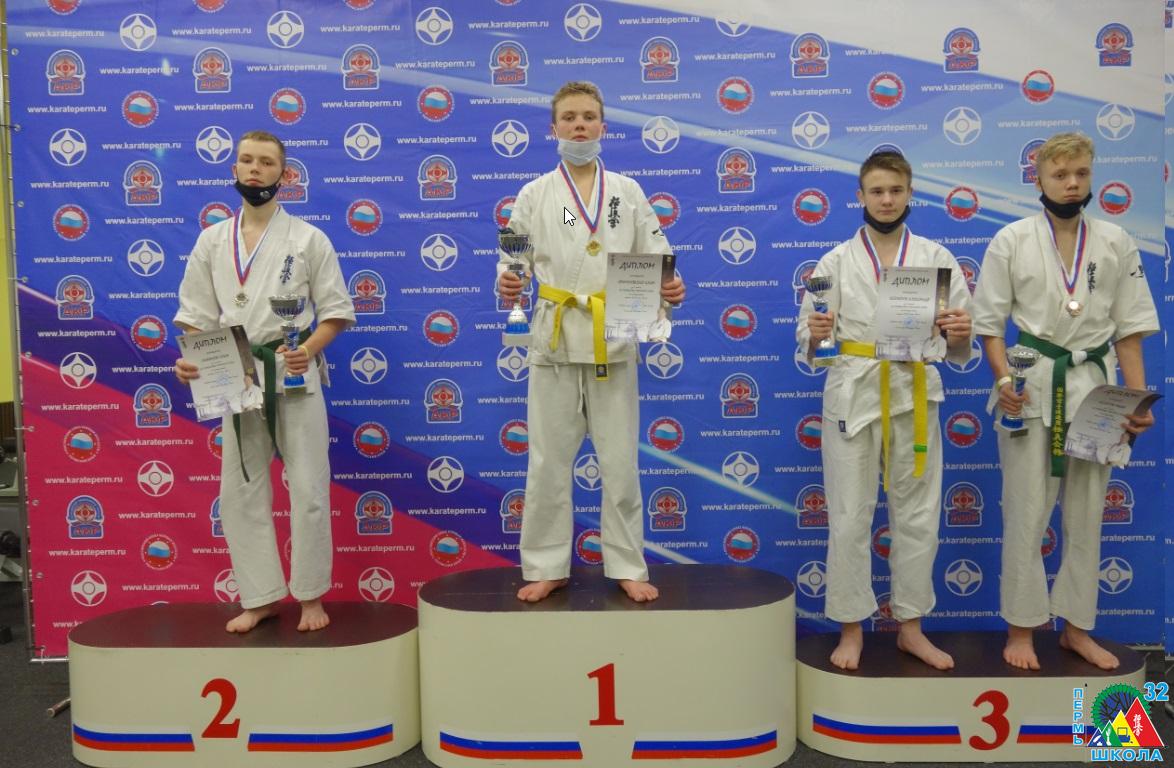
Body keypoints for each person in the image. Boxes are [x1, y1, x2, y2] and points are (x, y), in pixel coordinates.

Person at [971, 132, 1157, 671]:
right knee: (1026, 513)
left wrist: (1137, 402)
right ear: (1039, 178)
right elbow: (989, 327)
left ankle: (1077, 629)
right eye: (1060, 175)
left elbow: (1130, 330)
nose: (1072, 183)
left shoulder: (1116, 241)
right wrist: (1003, 383)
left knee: (1088, 516)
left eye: (1081, 173)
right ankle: (1022, 629)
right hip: (1032, 385)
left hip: (1097, 391)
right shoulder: (1011, 239)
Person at [497, 81, 685, 603]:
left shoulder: (626, 192)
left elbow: (657, 254)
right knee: (548, 462)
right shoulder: (538, 195)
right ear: (553, 128)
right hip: (556, 339)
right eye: (569, 117)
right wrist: (509, 279)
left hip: (615, 336)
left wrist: (670, 287)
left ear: (603, 126)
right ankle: (546, 564)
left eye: (587, 117)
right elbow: (514, 256)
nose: (579, 125)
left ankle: (626, 563)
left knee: (620, 462)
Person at [798, 151, 973, 671]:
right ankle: (851, 627)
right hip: (853, 392)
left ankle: (910, 628)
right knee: (849, 515)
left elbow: (958, 344)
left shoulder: (937, 258)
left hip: (913, 393)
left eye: (896, 190)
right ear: (861, 196)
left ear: (910, 192)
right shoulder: (834, 263)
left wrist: (958, 332)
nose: (887, 200)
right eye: (877, 191)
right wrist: (816, 334)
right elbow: (810, 344)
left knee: (918, 516)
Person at [174, 130, 355, 633]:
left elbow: (335, 311)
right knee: (240, 490)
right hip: (233, 375)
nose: (255, 169)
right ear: (234, 169)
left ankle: (311, 595)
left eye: (267, 162)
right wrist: (190, 361)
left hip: (293, 373)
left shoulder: (308, 239)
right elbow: (194, 316)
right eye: (247, 160)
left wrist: (306, 350)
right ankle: (260, 597)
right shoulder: (212, 240)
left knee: (309, 488)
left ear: (285, 174)